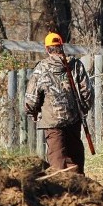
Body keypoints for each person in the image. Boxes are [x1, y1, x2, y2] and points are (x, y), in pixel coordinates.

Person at [25, 32, 94, 175]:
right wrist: (83, 110)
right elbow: (87, 92)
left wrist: (33, 112)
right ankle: (79, 190)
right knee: (74, 159)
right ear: (61, 47)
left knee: (57, 160)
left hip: (52, 123)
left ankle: (60, 192)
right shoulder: (75, 65)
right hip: (74, 119)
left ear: (47, 49)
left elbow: (31, 98)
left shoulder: (41, 68)